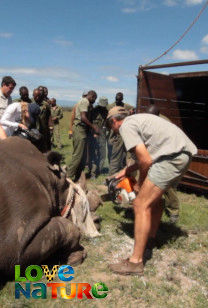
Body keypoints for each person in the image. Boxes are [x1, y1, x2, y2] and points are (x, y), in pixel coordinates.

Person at [107, 106, 197, 275]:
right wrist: (126, 171)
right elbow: (150, 154)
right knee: (156, 202)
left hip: (172, 157)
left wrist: (140, 185)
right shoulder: (137, 120)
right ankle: (149, 240)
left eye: (111, 127)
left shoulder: (126, 126)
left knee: (140, 204)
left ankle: (135, 263)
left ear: (114, 121)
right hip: (180, 154)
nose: (114, 131)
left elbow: (146, 160)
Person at [146, 104, 180, 223]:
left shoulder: (165, 123)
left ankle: (174, 211)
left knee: (168, 185)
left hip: (170, 154)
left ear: (157, 115)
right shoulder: (150, 119)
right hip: (156, 153)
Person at [67, 90, 99, 182]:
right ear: (92, 96)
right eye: (94, 99)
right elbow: (83, 117)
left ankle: (78, 176)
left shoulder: (87, 103)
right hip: (79, 129)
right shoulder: (85, 101)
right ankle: (68, 177)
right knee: (78, 155)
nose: (94, 101)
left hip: (83, 130)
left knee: (83, 156)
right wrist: (94, 127)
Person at [107, 92, 133, 175]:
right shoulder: (111, 106)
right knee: (115, 153)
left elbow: (132, 109)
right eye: (116, 99)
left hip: (123, 132)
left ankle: (121, 171)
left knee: (123, 154)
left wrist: (130, 113)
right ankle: (112, 175)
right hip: (115, 130)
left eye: (119, 99)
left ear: (122, 99)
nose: (118, 101)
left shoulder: (126, 106)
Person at [90, 96, 108, 178]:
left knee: (103, 154)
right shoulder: (93, 111)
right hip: (94, 134)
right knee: (95, 154)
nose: (102, 107)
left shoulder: (106, 111)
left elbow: (106, 123)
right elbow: (90, 123)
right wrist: (93, 133)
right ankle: (93, 173)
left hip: (103, 135)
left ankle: (99, 170)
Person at [33, 88, 52, 152]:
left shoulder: (45, 105)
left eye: (39, 96)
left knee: (45, 145)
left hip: (44, 129)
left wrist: (51, 127)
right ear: (33, 95)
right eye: (36, 96)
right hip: (34, 129)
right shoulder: (30, 103)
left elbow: (49, 115)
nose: (37, 97)